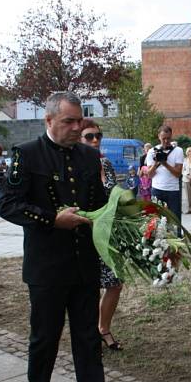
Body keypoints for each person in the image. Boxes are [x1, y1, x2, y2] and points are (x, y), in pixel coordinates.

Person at [0, 91, 124, 382]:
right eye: (68, 121)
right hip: (47, 267)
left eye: (79, 120)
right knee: (45, 336)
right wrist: (51, 219)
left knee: (87, 338)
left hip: (83, 264)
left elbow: (99, 203)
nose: (75, 127)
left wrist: (122, 215)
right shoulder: (26, 155)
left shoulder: (87, 156)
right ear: (49, 120)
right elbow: (8, 204)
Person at [80, 119, 124, 352]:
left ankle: (103, 328)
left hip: (108, 234)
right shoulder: (75, 165)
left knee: (115, 284)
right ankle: (88, 335)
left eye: (98, 135)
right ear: (79, 138)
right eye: (89, 136)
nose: (95, 140)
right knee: (88, 288)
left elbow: (113, 196)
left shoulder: (105, 164)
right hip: (85, 235)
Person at [145, 125, 184, 232]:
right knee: (156, 220)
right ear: (159, 137)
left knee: (175, 220)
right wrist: (157, 163)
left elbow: (178, 174)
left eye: (168, 138)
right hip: (157, 189)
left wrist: (165, 163)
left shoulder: (178, 151)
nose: (166, 141)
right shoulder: (152, 151)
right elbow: (149, 175)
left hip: (173, 190)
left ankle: (177, 243)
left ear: (171, 136)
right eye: (163, 139)